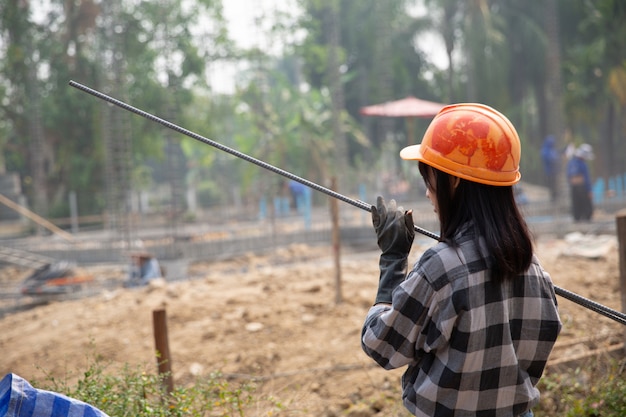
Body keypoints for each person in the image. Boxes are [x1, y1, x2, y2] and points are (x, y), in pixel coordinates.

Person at [361, 103, 562, 417]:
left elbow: (382, 345)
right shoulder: (534, 270)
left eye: (429, 178)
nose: (428, 193)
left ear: (453, 181)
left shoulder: (441, 267)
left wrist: (392, 260)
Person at [566, 143, 594, 222]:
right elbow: (586, 178)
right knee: (584, 205)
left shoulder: (571, 162)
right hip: (581, 187)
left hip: (574, 187)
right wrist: (589, 190)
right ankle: (584, 219)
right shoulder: (582, 164)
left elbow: (568, 176)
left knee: (577, 205)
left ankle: (579, 219)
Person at [540, 135, 559, 201]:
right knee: (551, 184)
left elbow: (556, 157)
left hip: (554, 171)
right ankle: (553, 197)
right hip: (549, 171)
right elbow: (548, 159)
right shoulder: (545, 150)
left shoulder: (552, 150)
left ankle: (555, 195)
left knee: (555, 183)